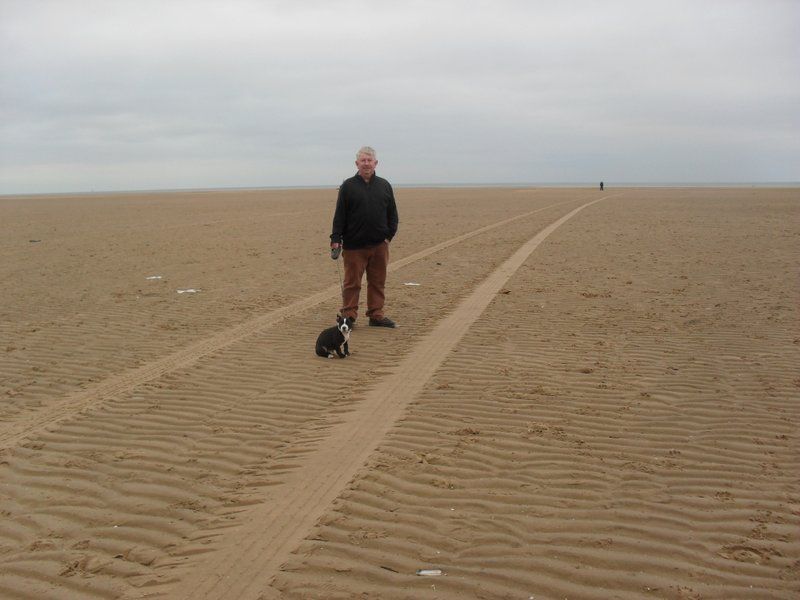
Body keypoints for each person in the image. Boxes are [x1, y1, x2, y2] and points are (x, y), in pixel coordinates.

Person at [329, 146, 399, 328]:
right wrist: (336, 239)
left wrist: (388, 236)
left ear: (376, 163)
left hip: (379, 245)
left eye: (370, 160)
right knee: (352, 283)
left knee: (377, 282)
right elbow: (340, 216)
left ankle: (376, 315)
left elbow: (393, 215)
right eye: (363, 161)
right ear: (357, 163)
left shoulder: (384, 185)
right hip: (354, 246)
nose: (366, 164)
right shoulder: (348, 187)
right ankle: (349, 316)